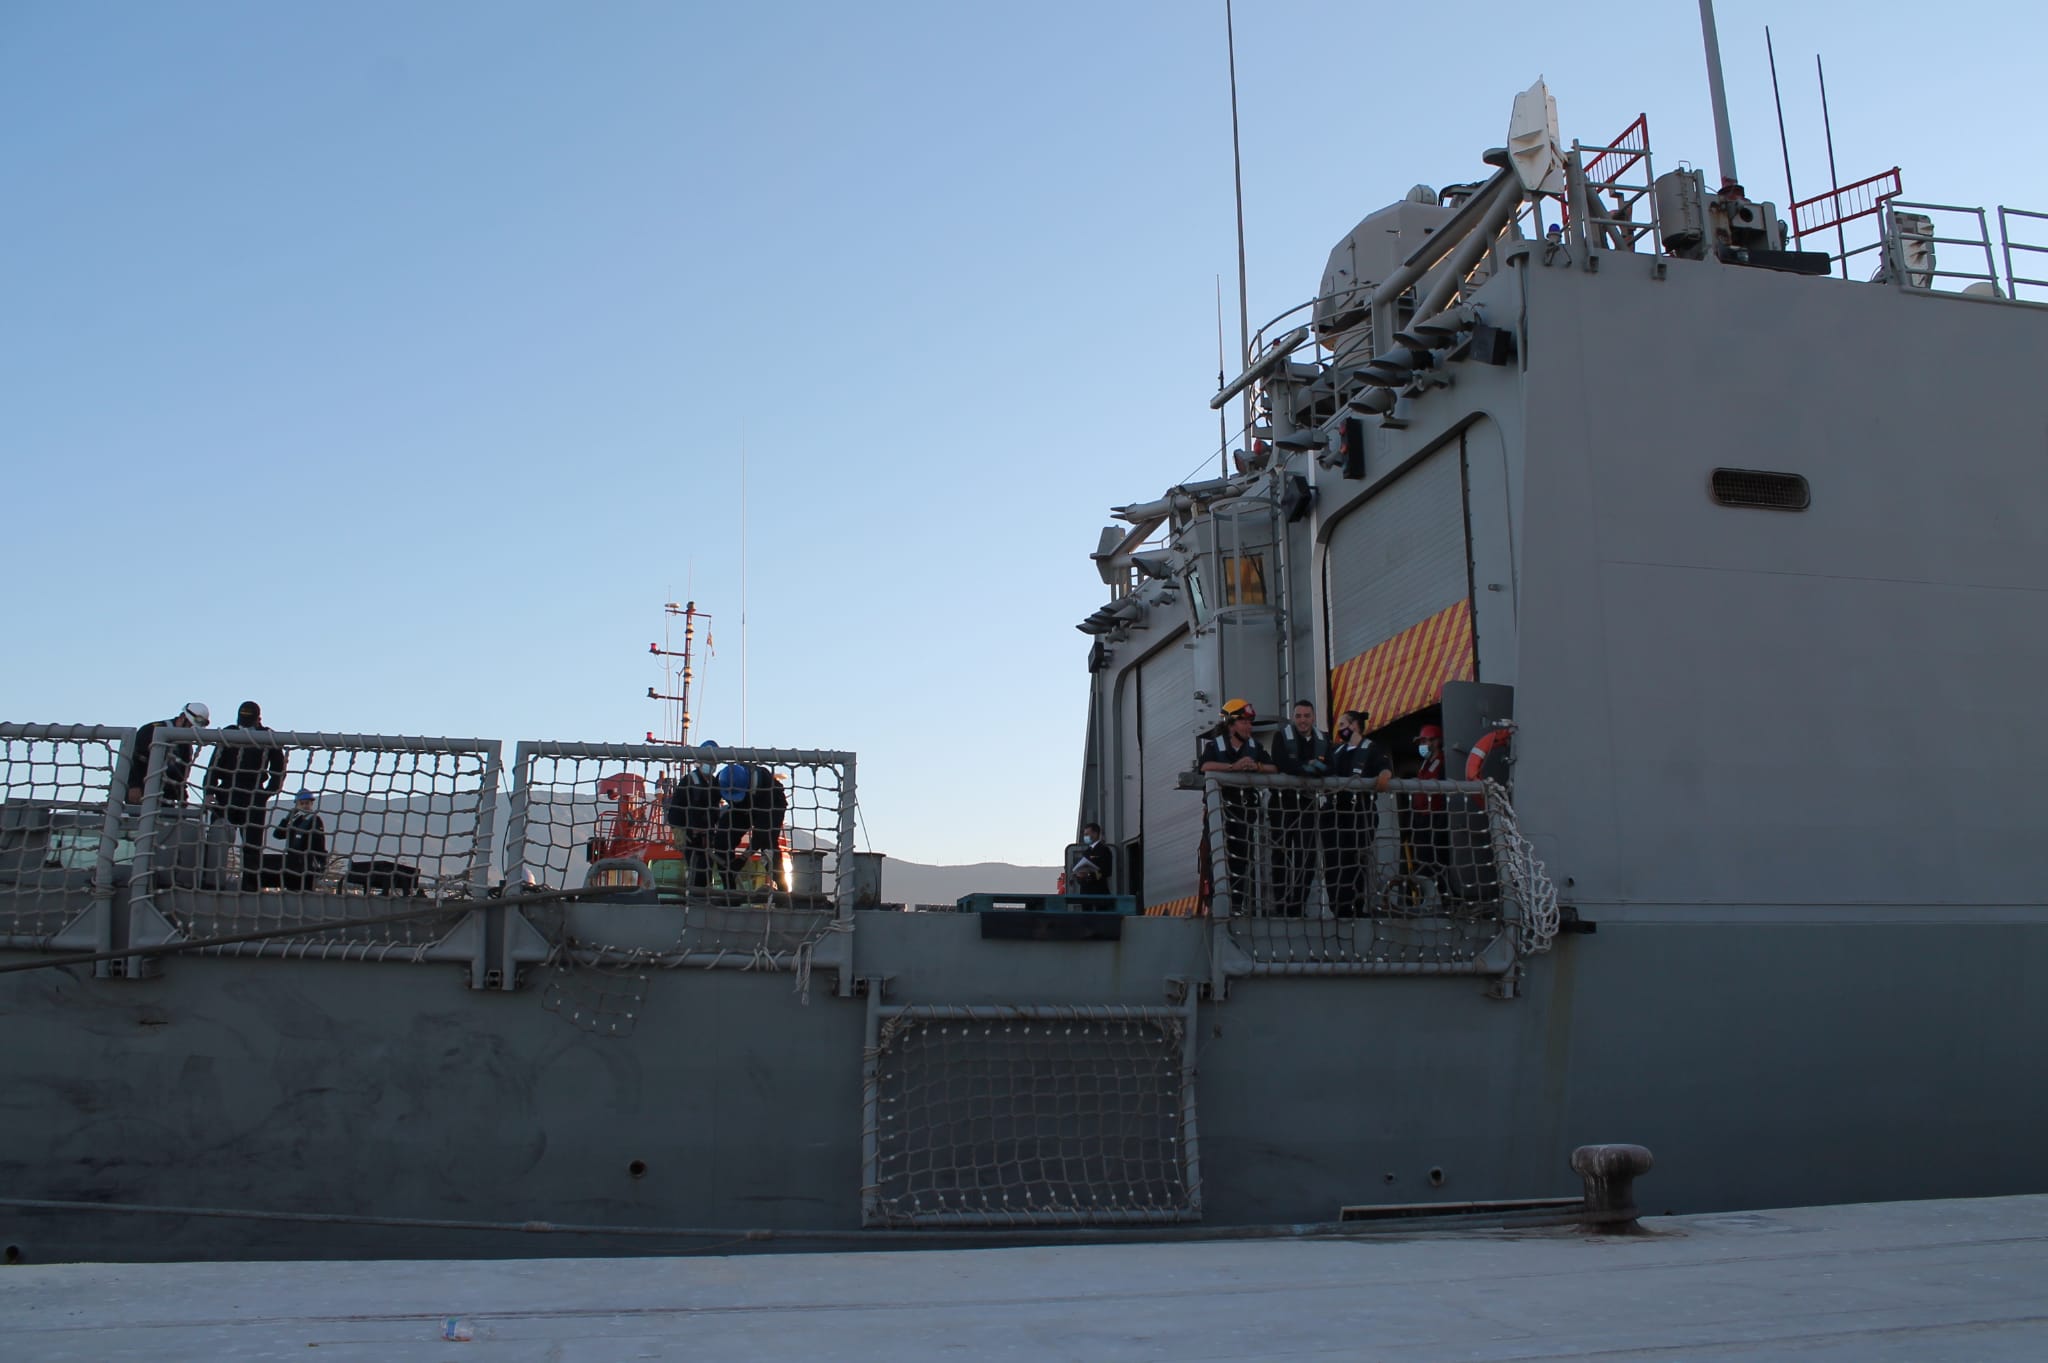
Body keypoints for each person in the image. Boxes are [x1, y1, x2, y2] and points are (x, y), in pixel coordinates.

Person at [1199, 698, 1276, 912]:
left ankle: (1236, 905)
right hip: (1221, 811)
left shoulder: (1254, 747)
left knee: (1242, 859)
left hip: (1243, 812)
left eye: (1250, 722)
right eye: (1244, 722)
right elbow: (1205, 766)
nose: (1249, 727)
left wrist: (1256, 766)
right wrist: (1233, 766)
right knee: (1218, 857)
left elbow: (1274, 768)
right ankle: (1218, 905)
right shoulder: (1215, 746)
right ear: (1231, 724)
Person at [205, 701, 288, 885]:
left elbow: (278, 767)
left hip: (253, 795)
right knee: (217, 840)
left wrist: (269, 791)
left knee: (252, 845)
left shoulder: (268, 736)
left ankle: (250, 884)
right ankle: (210, 882)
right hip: (226, 792)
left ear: (258, 719)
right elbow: (214, 764)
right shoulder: (229, 733)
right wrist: (209, 790)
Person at [1325, 710, 1393, 916]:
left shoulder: (1371, 749)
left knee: (1355, 860)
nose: (1340, 729)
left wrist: (1384, 774)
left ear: (1354, 725)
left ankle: (1357, 905)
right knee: (1334, 861)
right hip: (1335, 813)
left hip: (1359, 813)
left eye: (1344, 724)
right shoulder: (1336, 751)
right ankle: (1338, 907)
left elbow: (1384, 767)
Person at [1269, 700, 1333, 915]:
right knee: (1281, 854)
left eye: (1307, 716)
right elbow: (1281, 763)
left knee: (1307, 856)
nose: (1303, 720)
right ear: (1293, 718)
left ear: (1313, 718)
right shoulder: (1281, 737)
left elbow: (1331, 765)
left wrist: (1317, 769)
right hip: (1282, 803)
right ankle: (1282, 905)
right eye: (1299, 716)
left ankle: (1298, 904)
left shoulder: (1323, 739)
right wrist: (1307, 769)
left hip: (1306, 803)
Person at [718, 757, 788, 891]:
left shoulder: (770, 794)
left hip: (769, 807)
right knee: (722, 839)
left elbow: (761, 835)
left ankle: (782, 890)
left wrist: (742, 859)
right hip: (741, 807)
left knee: (768, 847)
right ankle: (729, 889)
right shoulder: (724, 779)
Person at [663, 743, 726, 891]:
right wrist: (679, 831)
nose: (711, 765)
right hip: (692, 837)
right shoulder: (689, 781)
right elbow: (675, 810)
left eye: (713, 762)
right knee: (697, 872)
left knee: (707, 870)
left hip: (709, 837)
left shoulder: (715, 784)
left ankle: (706, 897)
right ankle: (696, 900)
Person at [123, 701, 210, 806]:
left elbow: (180, 775)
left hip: (166, 796)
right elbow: (135, 759)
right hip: (141, 791)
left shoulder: (185, 744)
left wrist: (182, 796)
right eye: (190, 726)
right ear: (183, 717)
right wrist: (134, 785)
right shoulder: (151, 731)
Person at [1407, 723, 1453, 894]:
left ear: (1437, 741)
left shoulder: (1442, 762)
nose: (1424, 745)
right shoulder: (1425, 764)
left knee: (1435, 860)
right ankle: (1427, 895)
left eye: (1427, 741)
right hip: (1421, 818)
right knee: (1422, 859)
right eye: (1422, 741)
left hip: (1435, 817)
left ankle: (1442, 895)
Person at [271, 789, 328, 891]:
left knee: (306, 893)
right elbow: (278, 834)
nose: (305, 806)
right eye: (302, 803)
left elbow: (319, 843)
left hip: (307, 864)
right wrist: (286, 819)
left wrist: (322, 861)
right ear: (297, 805)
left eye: (307, 803)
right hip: (292, 865)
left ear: (311, 804)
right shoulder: (295, 821)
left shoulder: (315, 820)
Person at [1066, 822, 1115, 895]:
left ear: (1095, 834)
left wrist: (1088, 875)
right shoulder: (1087, 852)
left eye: (1087, 834)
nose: (1085, 837)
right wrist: (1079, 876)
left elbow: (1106, 872)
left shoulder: (1104, 850)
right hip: (1085, 893)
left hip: (1099, 893)